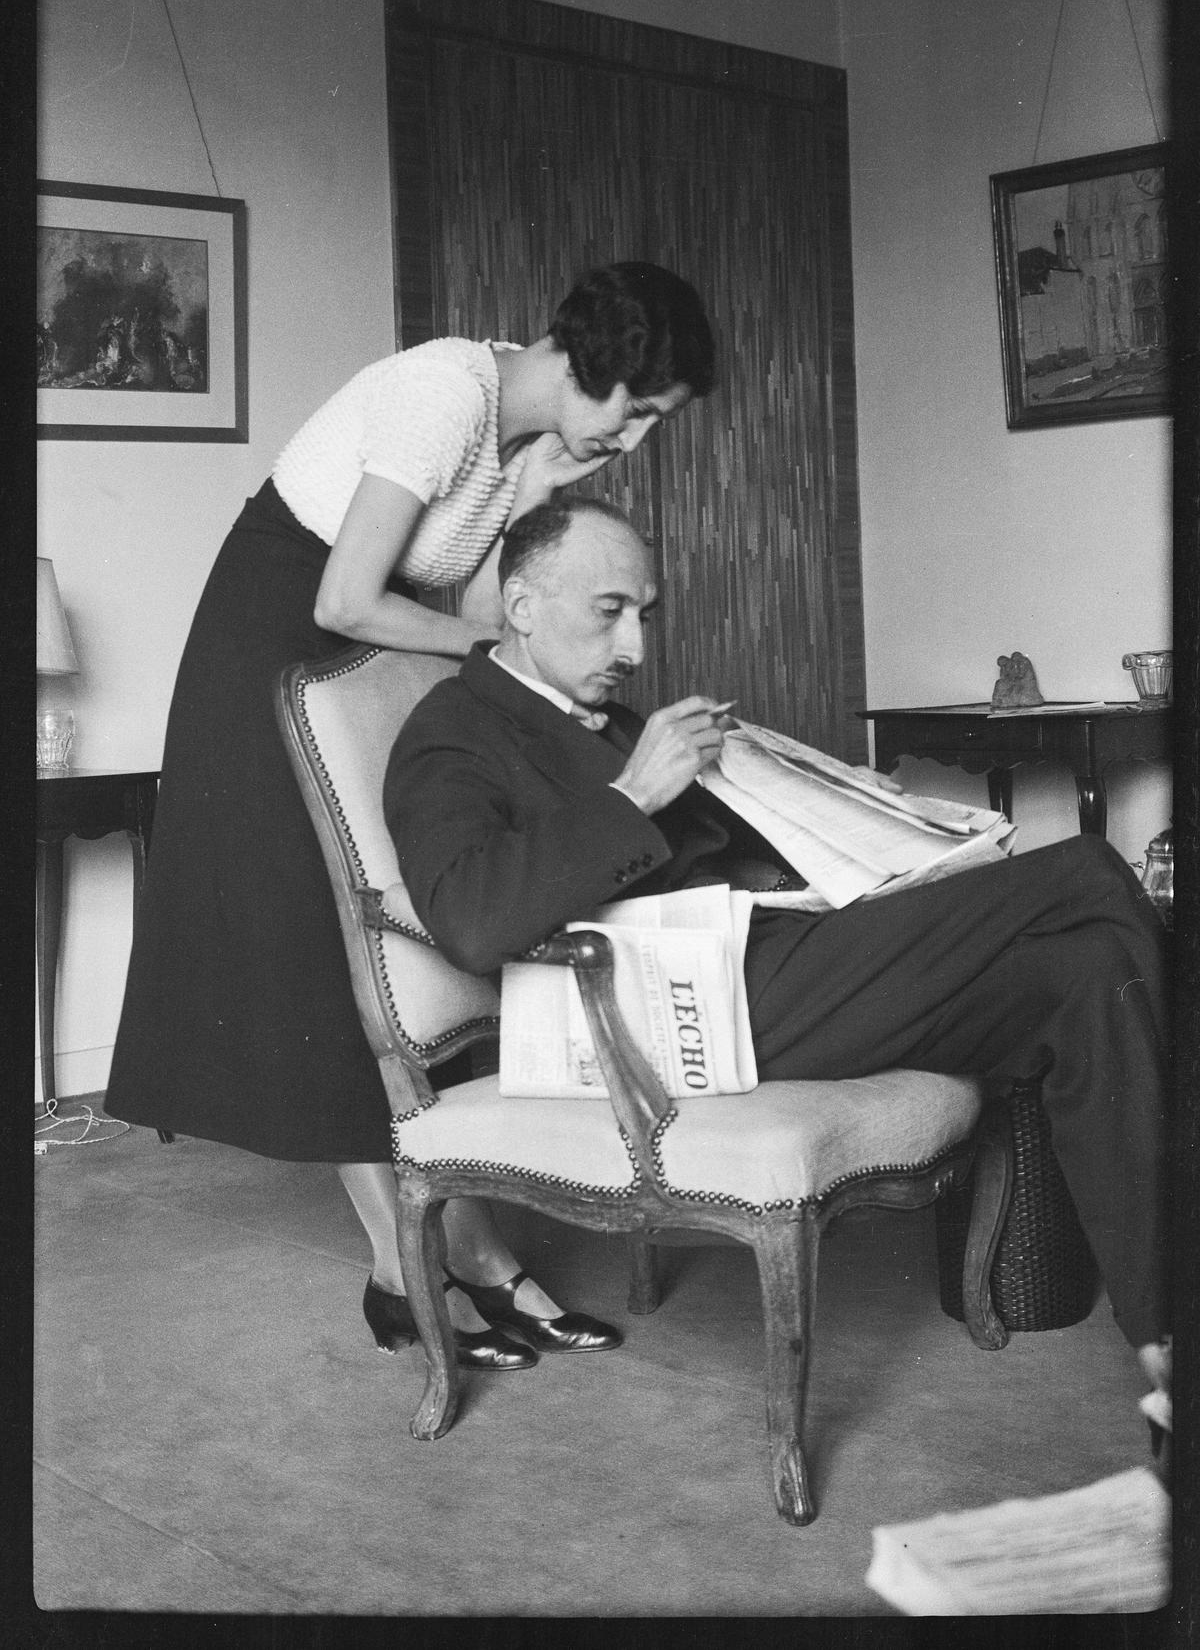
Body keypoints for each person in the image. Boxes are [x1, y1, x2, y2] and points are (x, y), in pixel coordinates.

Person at [383, 496, 1171, 1410]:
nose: (634, 642)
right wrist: (633, 793)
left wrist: (866, 819)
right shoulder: (453, 729)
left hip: (776, 954)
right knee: (1085, 871)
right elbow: (469, 920)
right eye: (609, 611)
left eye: (642, 612)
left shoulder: (610, 718)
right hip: (678, 1009)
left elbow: (735, 849)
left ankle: (1162, 1331)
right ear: (520, 605)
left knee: (1084, 970)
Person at [105, 265, 716, 1372]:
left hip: (363, 663)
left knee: (401, 953)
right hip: (271, 656)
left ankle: (472, 1255)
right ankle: (405, 1268)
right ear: (594, 363)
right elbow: (345, 598)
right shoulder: (444, 394)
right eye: (637, 407)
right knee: (328, 962)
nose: (633, 437)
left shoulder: (520, 439)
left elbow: (483, 609)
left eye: (654, 423)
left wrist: (538, 485)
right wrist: (485, 655)